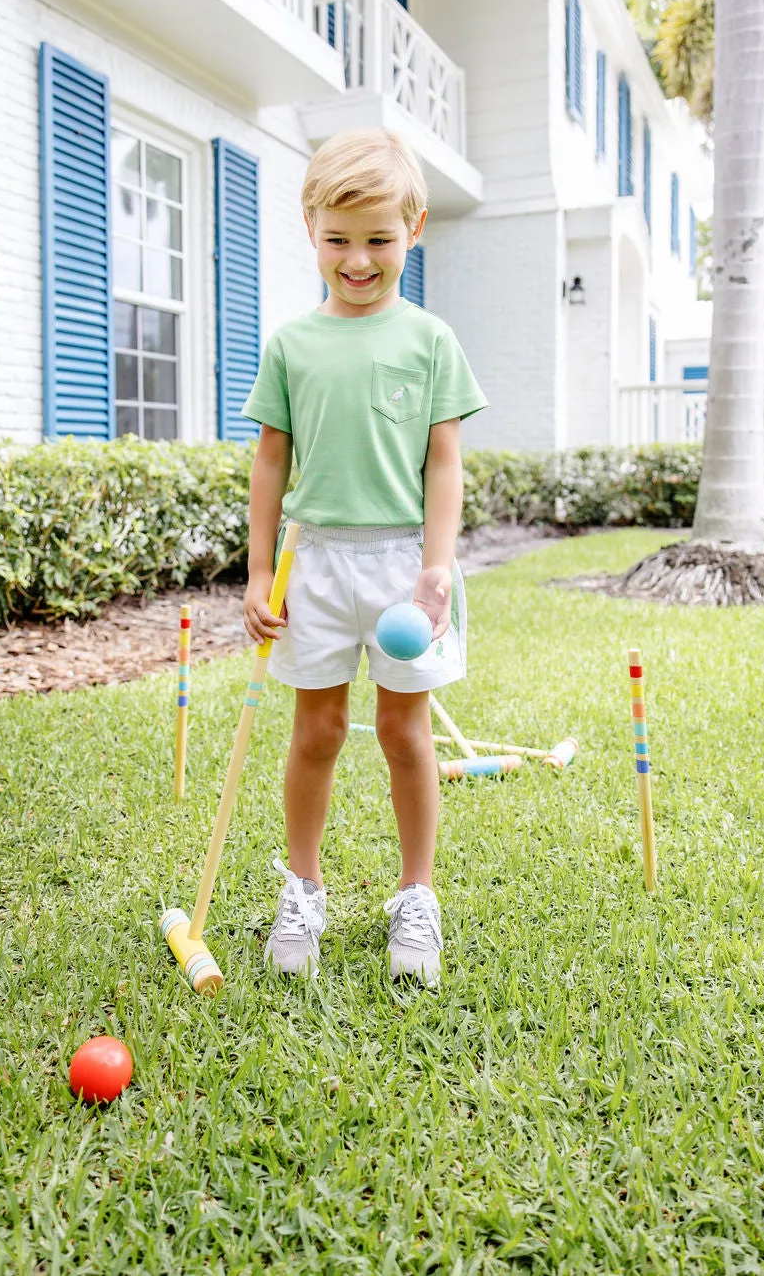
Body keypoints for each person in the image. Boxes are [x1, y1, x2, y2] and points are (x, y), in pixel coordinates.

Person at [241, 128, 487, 987]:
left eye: (379, 238)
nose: (358, 258)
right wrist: (255, 567)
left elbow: (444, 462)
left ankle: (417, 894)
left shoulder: (430, 341)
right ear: (310, 227)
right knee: (315, 730)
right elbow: (271, 460)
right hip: (313, 561)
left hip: (400, 566)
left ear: (413, 227)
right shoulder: (292, 344)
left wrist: (436, 566)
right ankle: (302, 886)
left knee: (402, 730)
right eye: (338, 238)